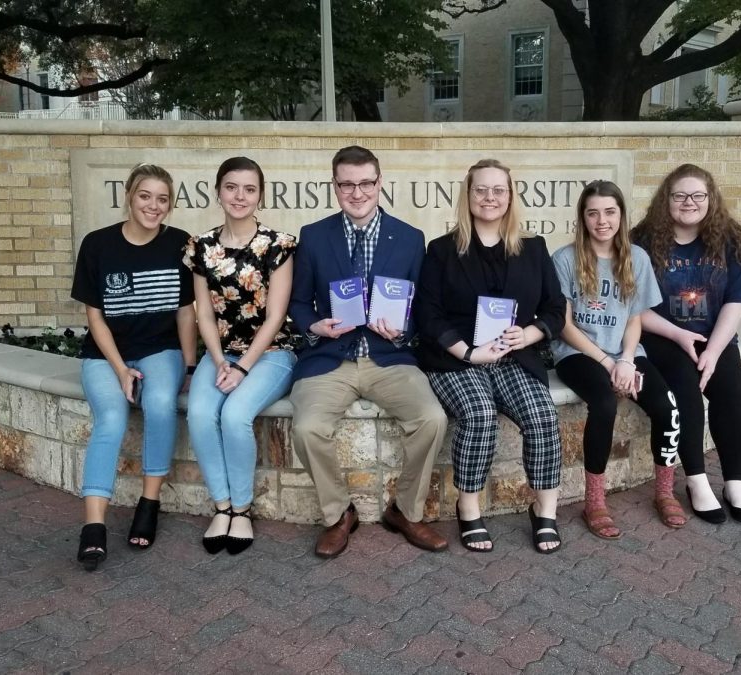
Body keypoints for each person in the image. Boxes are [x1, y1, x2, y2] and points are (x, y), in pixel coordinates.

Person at [288, 145, 448, 558]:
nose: (356, 193)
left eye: (365, 183)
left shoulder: (411, 239)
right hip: (331, 357)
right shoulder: (313, 236)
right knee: (306, 429)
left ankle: (405, 512)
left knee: (431, 419)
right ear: (335, 186)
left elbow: (422, 307)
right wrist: (313, 325)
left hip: (388, 358)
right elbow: (299, 302)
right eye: (347, 184)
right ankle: (339, 513)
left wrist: (401, 330)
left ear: (380, 183)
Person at [414, 158, 565, 554]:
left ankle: (545, 509)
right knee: (480, 415)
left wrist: (528, 334)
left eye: (499, 190)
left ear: (510, 197)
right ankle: (469, 509)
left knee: (543, 415)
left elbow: (555, 308)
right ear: (468, 195)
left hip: (515, 354)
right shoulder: (443, 250)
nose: (490, 197)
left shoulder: (533, 249)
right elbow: (427, 313)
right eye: (481, 189)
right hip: (457, 357)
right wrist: (468, 352)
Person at [71, 163, 197, 571]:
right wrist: (120, 369)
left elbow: (185, 314)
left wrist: (191, 367)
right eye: (146, 196)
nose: (153, 206)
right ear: (129, 195)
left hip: (161, 349)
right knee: (110, 417)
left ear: (170, 204)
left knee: (160, 402)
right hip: (106, 352)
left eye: (163, 199)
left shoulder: (180, 245)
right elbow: (95, 317)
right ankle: (93, 527)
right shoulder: (97, 245)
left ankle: (149, 501)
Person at [552, 180, 685, 539]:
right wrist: (608, 364)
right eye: (592, 213)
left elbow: (634, 318)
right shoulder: (565, 259)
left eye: (610, 212)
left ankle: (664, 491)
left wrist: (626, 359)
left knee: (667, 405)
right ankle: (594, 501)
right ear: (582, 217)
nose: (602, 220)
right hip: (578, 353)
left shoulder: (636, 258)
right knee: (605, 402)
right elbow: (563, 325)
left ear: (621, 215)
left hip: (625, 352)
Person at [632, 163, 741, 524]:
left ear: (710, 199)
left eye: (697, 195)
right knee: (685, 389)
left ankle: (735, 484)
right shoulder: (641, 240)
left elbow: (737, 300)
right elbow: (632, 306)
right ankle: (697, 481)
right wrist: (677, 334)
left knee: (731, 390)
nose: (689, 202)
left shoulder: (731, 239)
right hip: (662, 335)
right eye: (679, 195)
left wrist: (715, 352)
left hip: (713, 335)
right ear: (666, 200)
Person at [184, 157, 297, 555]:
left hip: (271, 353)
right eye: (231, 187)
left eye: (249, 189)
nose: (240, 196)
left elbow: (276, 316)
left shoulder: (278, 245)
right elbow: (204, 313)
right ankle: (223, 506)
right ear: (218, 191)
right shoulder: (201, 247)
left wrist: (242, 368)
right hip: (222, 354)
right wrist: (218, 362)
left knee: (234, 415)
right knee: (199, 414)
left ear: (260, 195)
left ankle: (244, 509)